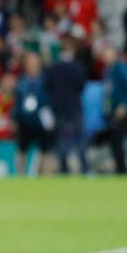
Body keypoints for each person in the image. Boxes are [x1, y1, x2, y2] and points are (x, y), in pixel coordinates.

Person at [45, 37, 88, 174]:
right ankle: (84, 167)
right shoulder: (77, 67)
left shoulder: (53, 67)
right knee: (79, 136)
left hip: (58, 107)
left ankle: (64, 168)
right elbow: (81, 86)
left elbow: (48, 86)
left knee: (61, 138)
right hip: (74, 106)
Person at [94, 47, 127, 174]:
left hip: (121, 112)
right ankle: (119, 169)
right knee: (113, 141)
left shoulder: (122, 69)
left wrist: (124, 105)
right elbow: (107, 94)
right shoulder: (107, 71)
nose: (106, 58)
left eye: (108, 55)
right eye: (104, 56)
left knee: (117, 140)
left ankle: (122, 170)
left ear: (114, 55)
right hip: (110, 113)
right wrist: (105, 111)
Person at [13, 51, 55, 176]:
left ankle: (45, 176)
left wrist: (50, 118)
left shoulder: (45, 80)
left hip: (41, 121)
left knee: (46, 150)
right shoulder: (22, 81)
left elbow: (50, 99)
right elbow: (18, 100)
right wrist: (16, 117)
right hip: (24, 121)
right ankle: (20, 176)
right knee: (21, 150)